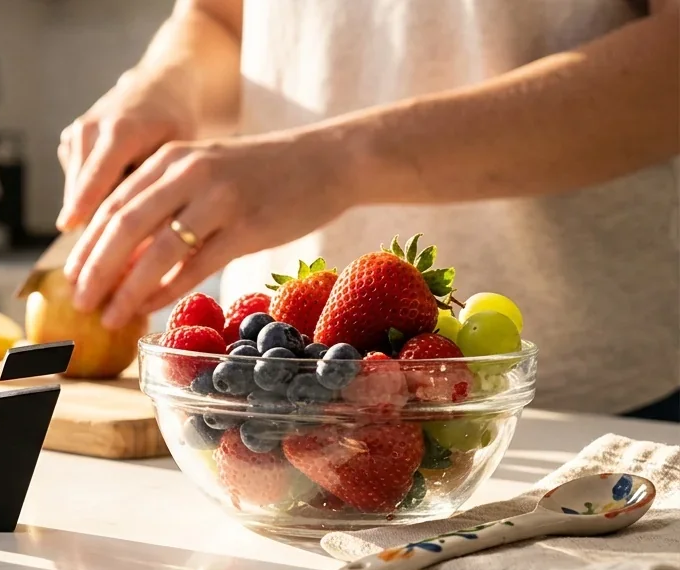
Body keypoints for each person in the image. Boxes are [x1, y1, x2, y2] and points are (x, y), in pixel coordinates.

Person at [56, 0, 679, 420]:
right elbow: (221, 17)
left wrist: (338, 161)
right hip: (276, 403)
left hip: (588, 407)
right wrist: (162, 87)